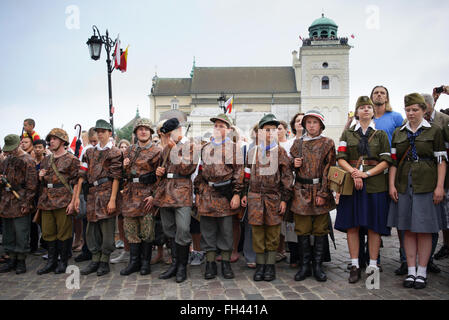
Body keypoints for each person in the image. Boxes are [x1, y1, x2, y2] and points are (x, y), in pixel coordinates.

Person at [387, 93, 446, 289]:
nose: (411, 113)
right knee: (407, 229)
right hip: (404, 184)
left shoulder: (435, 131)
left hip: (427, 184)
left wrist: (439, 187)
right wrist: (392, 185)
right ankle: (411, 271)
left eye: (415, 110)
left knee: (425, 230)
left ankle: (422, 271)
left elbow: (441, 161)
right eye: (408, 110)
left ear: (424, 110)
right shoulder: (399, 133)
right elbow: (393, 162)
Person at [335, 96, 392, 284]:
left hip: (375, 185)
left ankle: (373, 265)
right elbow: (341, 157)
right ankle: (354, 265)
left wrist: (365, 175)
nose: (366, 110)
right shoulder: (348, 134)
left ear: (372, 111)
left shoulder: (382, 134)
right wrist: (354, 173)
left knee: (374, 226)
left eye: (369, 107)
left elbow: (386, 161)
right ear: (357, 112)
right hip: (352, 184)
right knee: (353, 225)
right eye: (362, 107)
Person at [241, 114, 293, 281]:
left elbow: (287, 178)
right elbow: (246, 175)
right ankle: (260, 265)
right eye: (266, 129)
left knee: (272, 233)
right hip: (255, 197)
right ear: (260, 132)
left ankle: (270, 266)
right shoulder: (252, 152)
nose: (269, 133)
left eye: (273, 130)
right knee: (257, 232)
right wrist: (243, 194)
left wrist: (284, 199)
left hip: (274, 198)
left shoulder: (281, 152)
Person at [194, 114, 243, 280]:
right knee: (207, 230)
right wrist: (198, 192)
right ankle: (210, 263)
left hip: (225, 193)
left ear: (229, 130)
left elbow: (238, 172)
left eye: (222, 126)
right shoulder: (205, 148)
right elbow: (200, 173)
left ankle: (226, 263)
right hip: (208, 193)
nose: (218, 128)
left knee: (226, 230)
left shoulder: (234, 148)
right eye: (216, 125)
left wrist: (236, 194)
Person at [290, 110, 336, 282]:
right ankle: (304, 265)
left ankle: (317, 266)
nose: (311, 125)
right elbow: (288, 168)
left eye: (314, 122)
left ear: (321, 125)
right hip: (301, 190)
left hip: (319, 190)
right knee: (302, 229)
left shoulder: (327, 143)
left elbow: (330, 169)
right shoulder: (297, 144)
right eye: (308, 122)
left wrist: (324, 193)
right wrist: (293, 164)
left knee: (319, 229)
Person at [74, 119, 123, 276]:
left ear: (109, 133)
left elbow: (116, 177)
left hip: (107, 191)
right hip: (93, 194)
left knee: (107, 230)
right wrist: (76, 197)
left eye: (103, 131)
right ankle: (95, 259)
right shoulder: (89, 152)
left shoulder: (115, 152)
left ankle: (104, 261)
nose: (100, 134)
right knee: (92, 229)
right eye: (98, 131)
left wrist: (113, 199)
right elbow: (82, 174)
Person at [153, 118, 198, 283]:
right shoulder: (165, 150)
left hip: (182, 193)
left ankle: (182, 267)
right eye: (166, 135)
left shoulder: (191, 146)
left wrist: (175, 151)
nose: (167, 138)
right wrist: (159, 172)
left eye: (169, 134)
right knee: (169, 230)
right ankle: (174, 264)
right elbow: (163, 172)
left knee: (183, 229)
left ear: (179, 130)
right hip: (166, 194)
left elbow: (187, 168)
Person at [120, 119, 162, 276]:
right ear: (136, 132)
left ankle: (145, 262)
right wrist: (124, 167)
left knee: (147, 230)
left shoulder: (157, 151)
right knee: (130, 229)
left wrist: (154, 196)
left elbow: (160, 177)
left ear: (151, 132)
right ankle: (134, 262)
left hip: (147, 193)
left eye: (146, 129)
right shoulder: (129, 150)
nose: (143, 131)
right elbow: (122, 176)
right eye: (140, 129)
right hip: (131, 194)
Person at [370, 85, 405, 274]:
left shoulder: (396, 117)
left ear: (387, 97)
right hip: (372, 171)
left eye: (382, 93)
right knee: (375, 214)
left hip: (392, 167)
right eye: (376, 92)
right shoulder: (365, 117)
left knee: (398, 212)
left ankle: (405, 257)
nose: (379, 95)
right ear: (371, 97)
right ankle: (375, 258)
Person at [36, 129, 80, 275]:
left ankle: (63, 262)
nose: (51, 141)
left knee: (64, 232)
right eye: (50, 139)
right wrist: (41, 176)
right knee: (48, 232)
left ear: (62, 141)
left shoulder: (72, 159)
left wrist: (73, 202)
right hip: (47, 200)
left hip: (63, 199)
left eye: (54, 139)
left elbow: (76, 183)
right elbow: (43, 181)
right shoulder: (45, 160)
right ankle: (51, 261)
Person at [0, 134, 38, 274]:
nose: (10, 152)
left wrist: (27, 203)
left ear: (18, 146)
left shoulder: (28, 161)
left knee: (21, 232)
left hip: (20, 199)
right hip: (6, 201)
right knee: (8, 232)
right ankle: (11, 259)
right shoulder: (7, 160)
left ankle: (21, 260)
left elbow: (32, 185)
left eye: (12, 149)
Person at [421, 93, 449, 273]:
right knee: (431, 218)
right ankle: (428, 257)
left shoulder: (444, 120)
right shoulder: (414, 123)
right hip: (424, 177)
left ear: (430, 105)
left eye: (421, 105)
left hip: (443, 175)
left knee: (444, 214)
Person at [73, 128, 97, 263]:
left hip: (101, 190)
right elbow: (82, 173)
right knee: (86, 221)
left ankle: (96, 251)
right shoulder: (86, 151)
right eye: (92, 140)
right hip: (88, 190)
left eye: (96, 141)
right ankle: (87, 249)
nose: (94, 144)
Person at [432, 85, 449, 261]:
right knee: (443, 214)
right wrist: (435, 98)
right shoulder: (443, 118)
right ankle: (446, 245)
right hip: (443, 173)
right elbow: (430, 118)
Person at [110, 139, 132, 265]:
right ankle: (126, 251)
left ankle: (132, 252)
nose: (123, 149)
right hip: (119, 197)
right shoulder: (116, 162)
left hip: (132, 197)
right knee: (121, 224)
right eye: (121, 147)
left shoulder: (132, 159)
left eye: (125, 146)